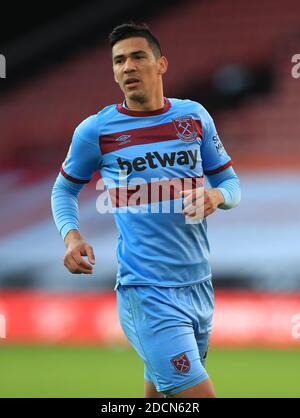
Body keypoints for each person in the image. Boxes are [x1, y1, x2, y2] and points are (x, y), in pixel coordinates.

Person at [51, 22, 241, 398]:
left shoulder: (194, 118)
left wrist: (217, 198)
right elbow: (63, 190)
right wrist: (71, 236)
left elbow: (231, 185)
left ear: (161, 64)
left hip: (199, 285)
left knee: (158, 397)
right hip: (148, 291)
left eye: (138, 57)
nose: (128, 67)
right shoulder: (97, 131)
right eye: (119, 61)